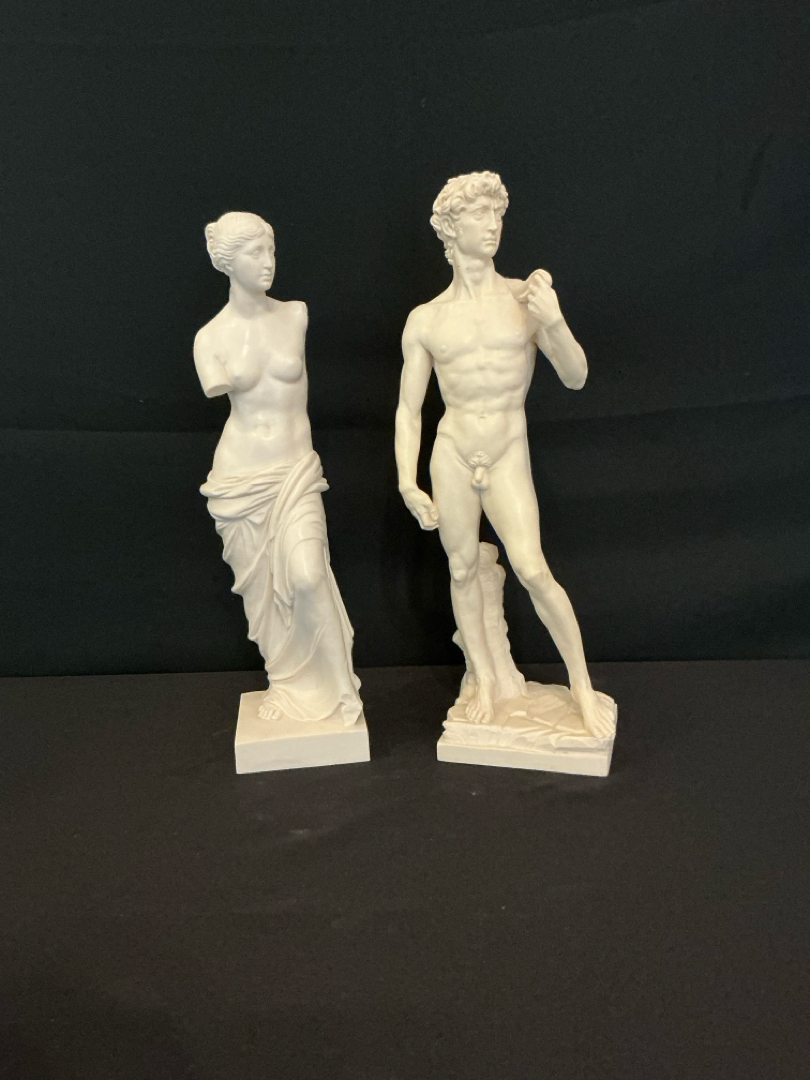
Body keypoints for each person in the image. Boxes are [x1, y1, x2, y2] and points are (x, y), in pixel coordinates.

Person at [395, 172, 614, 737]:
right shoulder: (426, 319)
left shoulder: (524, 299)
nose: (492, 225)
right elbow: (410, 411)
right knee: (462, 567)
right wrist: (407, 482)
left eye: (497, 214)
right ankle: (487, 680)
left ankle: (582, 686)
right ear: (451, 228)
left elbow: (576, 376)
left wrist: (554, 319)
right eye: (479, 215)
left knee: (532, 569)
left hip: (506, 449)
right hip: (452, 453)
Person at [195, 212, 362, 725]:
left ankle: (342, 689)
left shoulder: (295, 315)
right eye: (255, 253)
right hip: (241, 480)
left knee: (309, 575)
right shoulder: (210, 338)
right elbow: (217, 388)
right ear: (228, 262)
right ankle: (286, 683)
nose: (268, 262)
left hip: (294, 473)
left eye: (271, 251)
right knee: (265, 596)